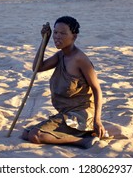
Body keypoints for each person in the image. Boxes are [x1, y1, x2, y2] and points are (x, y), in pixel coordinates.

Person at [22, 16, 105, 148]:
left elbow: (97, 90)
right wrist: (44, 41)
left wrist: (97, 120)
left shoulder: (80, 59)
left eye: (63, 33)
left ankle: (82, 141)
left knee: (35, 135)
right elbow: (37, 67)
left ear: (74, 36)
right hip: (66, 113)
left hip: (80, 114)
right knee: (26, 134)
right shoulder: (60, 55)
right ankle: (78, 135)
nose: (57, 37)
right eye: (55, 33)